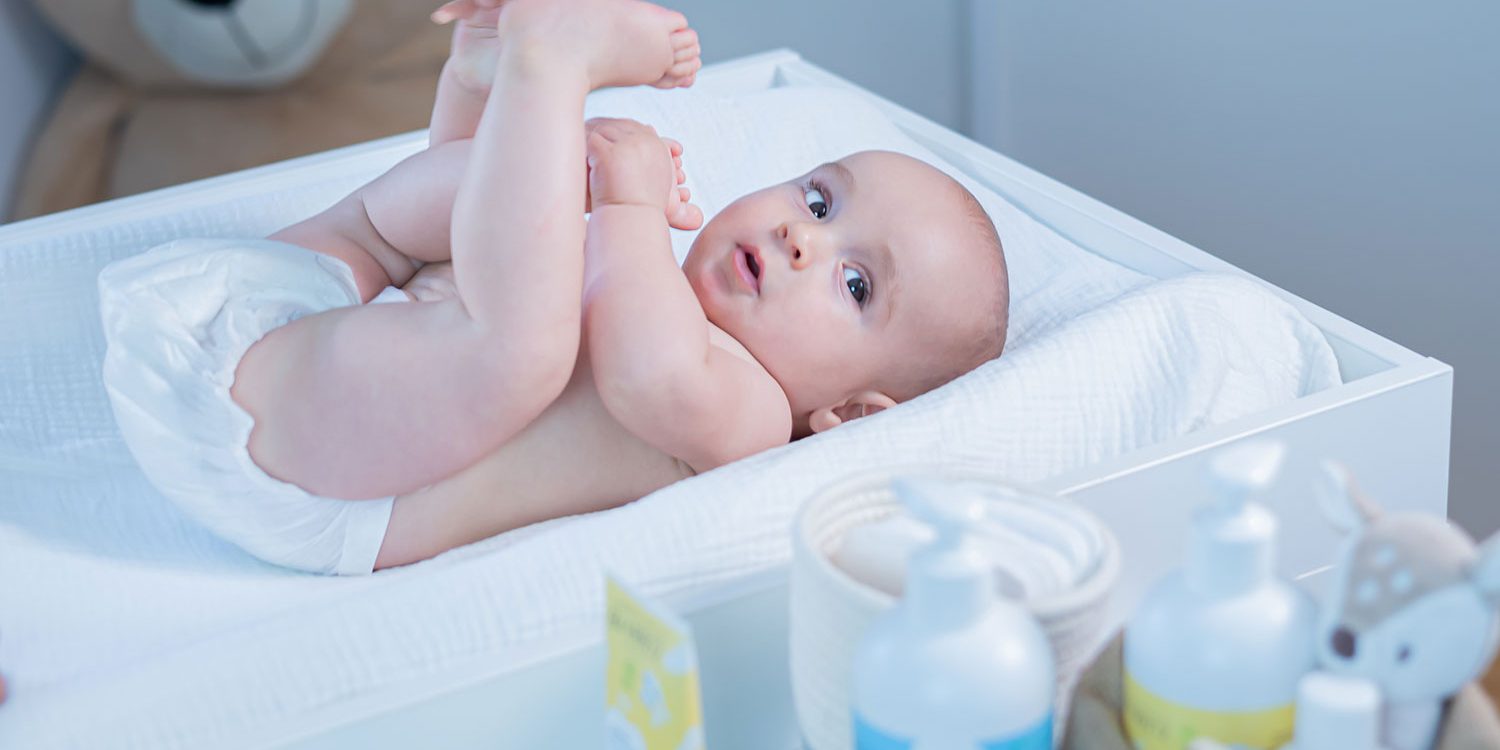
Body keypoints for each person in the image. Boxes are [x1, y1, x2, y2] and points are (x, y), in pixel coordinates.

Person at [99, 0, 1010, 574]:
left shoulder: (751, 414)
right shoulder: (612, 270)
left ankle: (553, 64)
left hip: (321, 479)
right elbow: (462, 232)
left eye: (856, 283)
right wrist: (498, 114)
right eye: (818, 197)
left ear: (850, 415)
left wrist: (629, 202)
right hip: (307, 307)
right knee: (480, 227)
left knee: (519, 350)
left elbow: (645, 369)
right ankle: (500, 70)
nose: (801, 237)